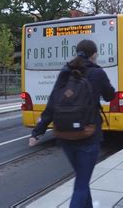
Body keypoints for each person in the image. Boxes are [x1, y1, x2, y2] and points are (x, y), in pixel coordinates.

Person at [28, 39, 115, 208]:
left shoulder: (66, 71)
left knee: (82, 178)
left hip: (65, 136)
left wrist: (38, 131)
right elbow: (110, 95)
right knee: (81, 185)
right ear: (94, 54)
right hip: (88, 134)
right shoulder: (97, 73)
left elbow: (52, 103)